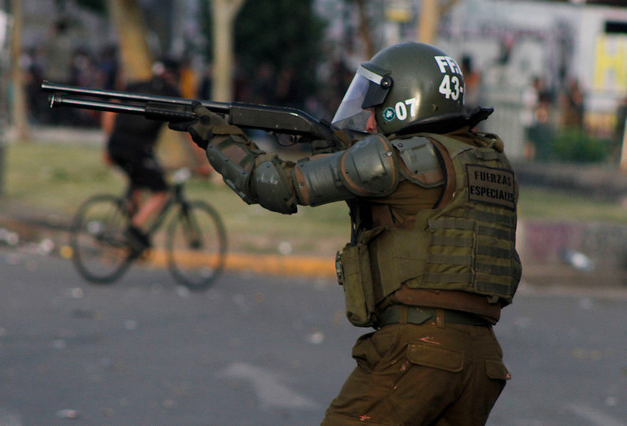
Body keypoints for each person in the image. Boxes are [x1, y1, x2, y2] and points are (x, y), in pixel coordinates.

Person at [170, 41, 521, 425]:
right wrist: (335, 147)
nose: (369, 121)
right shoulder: (488, 161)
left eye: (376, 107)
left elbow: (272, 184)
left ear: (406, 100)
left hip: (418, 351)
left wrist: (218, 138)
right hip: (482, 361)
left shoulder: (394, 159)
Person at [102, 59, 182, 256]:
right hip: (138, 149)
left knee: (138, 181)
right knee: (161, 191)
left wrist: (109, 139)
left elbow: (111, 106)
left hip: (116, 145)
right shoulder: (171, 93)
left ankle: (131, 241)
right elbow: (189, 131)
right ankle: (133, 229)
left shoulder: (137, 85)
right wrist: (202, 160)